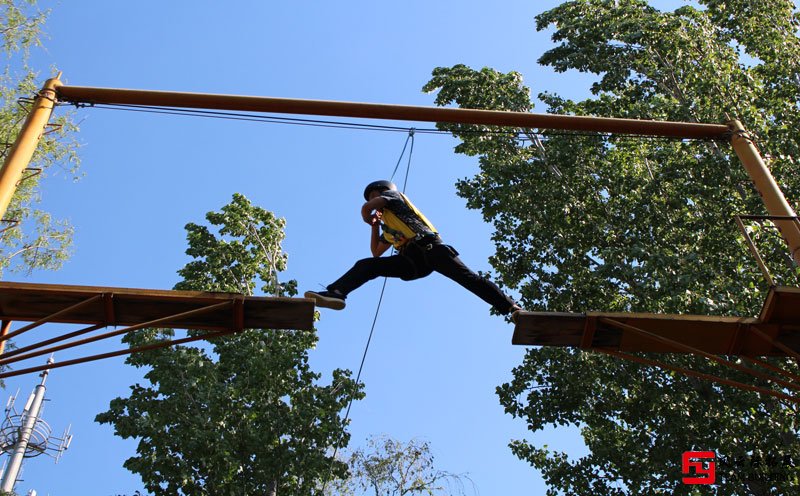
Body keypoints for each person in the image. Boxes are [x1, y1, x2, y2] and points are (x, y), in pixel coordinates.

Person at [304, 180, 522, 318]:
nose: (374, 201)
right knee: (367, 265)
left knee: (468, 278)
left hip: (430, 248)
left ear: (383, 193)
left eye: (374, 196)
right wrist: (374, 226)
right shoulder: (389, 225)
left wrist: (367, 214)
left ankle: (511, 308)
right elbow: (376, 252)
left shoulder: (394, 198)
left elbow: (367, 207)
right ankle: (337, 293)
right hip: (411, 260)